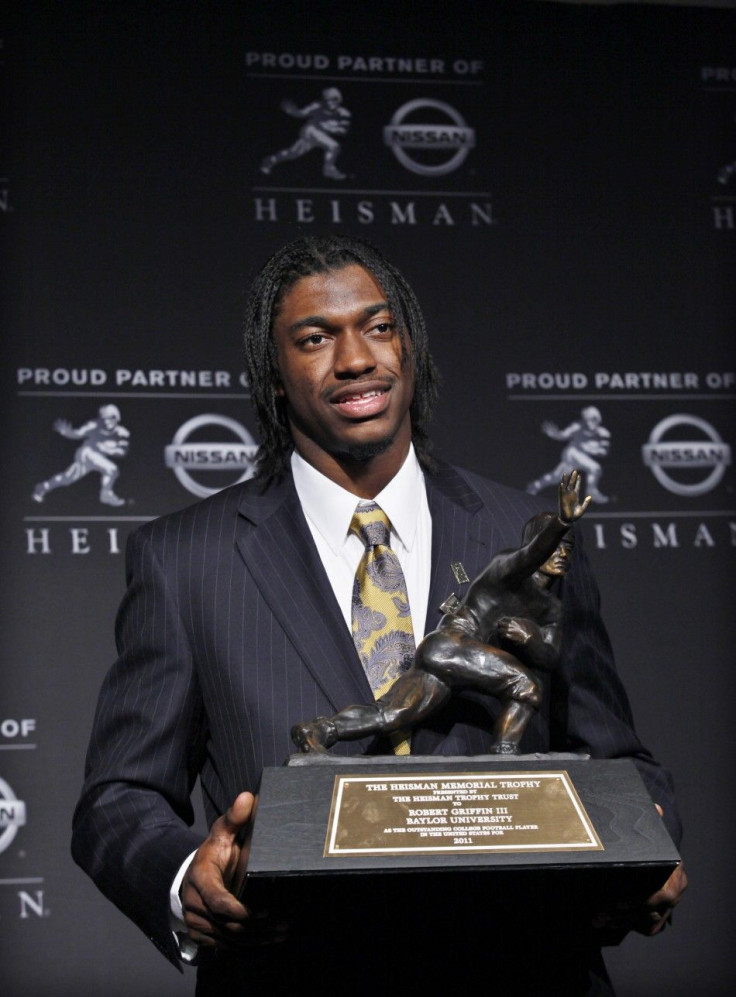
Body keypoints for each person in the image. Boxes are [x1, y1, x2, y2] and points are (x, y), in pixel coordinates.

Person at [71, 235, 686, 995]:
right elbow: (118, 798)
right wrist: (183, 877)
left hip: (529, 970)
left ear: (411, 346)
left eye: (379, 326)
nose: (357, 358)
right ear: (274, 372)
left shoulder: (524, 530)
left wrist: (649, 837)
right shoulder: (184, 559)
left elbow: (620, 754)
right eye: (315, 337)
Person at [291, 470, 591, 756]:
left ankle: (320, 730)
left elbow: (550, 655)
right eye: (556, 546)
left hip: (449, 659)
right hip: (450, 644)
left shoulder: (551, 607)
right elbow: (530, 555)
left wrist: (531, 641)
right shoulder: (505, 572)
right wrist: (562, 522)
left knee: (392, 714)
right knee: (526, 687)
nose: (562, 554)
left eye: (568, 548)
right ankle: (505, 755)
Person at [32, 404, 129, 507]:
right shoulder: (93, 424)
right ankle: (105, 494)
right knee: (112, 469)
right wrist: (66, 432)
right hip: (86, 453)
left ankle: (43, 487)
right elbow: (77, 433)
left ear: (116, 417)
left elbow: (122, 452)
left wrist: (106, 449)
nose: (106, 421)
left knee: (67, 478)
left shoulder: (122, 433)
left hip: (97, 458)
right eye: (104, 419)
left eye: (110, 418)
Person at [260, 88, 351, 180]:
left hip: (320, 135)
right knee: (334, 146)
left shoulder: (344, 113)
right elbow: (302, 113)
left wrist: (328, 128)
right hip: (310, 131)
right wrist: (292, 111)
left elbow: (343, 131)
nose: (330, 102)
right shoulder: (317, 105)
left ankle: (270, 160)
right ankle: (328, 169)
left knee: (293, 153)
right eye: (328, 99)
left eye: (333, 99)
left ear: (339, 99)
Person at [527, 406, 611, 504]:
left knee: (556, 477)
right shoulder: (577, 426)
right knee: (595, 468)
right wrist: (554, 434)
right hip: (572, 453)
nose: (591, 422)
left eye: (594, 419)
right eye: (588, 419)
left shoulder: (603, 433)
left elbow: (604, 452)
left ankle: (536, 485)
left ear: (598, 419)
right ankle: (591, 491)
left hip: (580, 458)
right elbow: (563, 435)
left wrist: (592, 449)